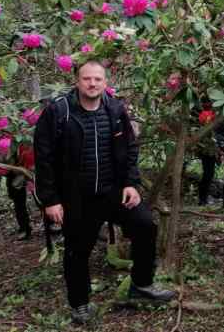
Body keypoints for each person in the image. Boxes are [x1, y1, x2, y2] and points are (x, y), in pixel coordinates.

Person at [34, 60, 174, 325]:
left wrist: (131, 183)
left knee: (145, 226)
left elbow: (130, 148)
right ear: (78, 81)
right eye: (87, 79)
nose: (92, 84)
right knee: (78, 250)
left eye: (97, 79)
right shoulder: (58, 111)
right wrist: (50, 200)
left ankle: (141, 284)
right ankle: (80, 304)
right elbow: (44, 159)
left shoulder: (115, 109)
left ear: (105, 83)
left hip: (113, 191)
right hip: (76, 197)